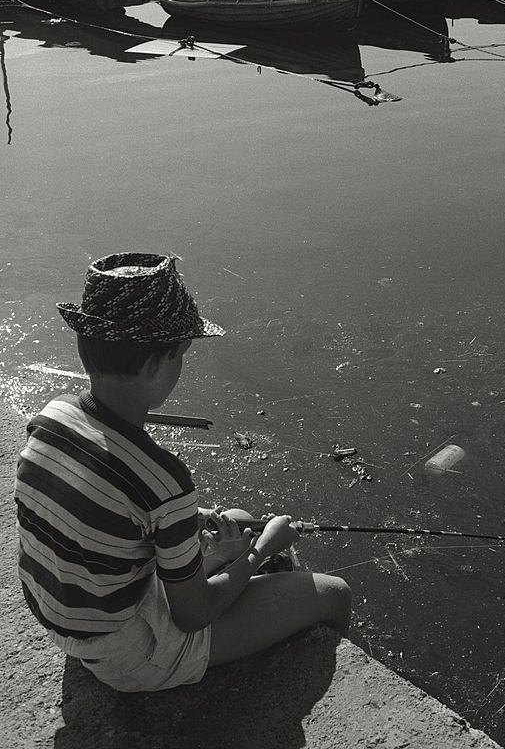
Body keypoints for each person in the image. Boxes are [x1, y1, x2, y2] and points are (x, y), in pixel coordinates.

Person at [14, 252, 351, 693]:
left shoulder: (50, 418)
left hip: (70, 616)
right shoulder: (162, 480)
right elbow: (194, 613)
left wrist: (202, 517)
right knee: (332, 592)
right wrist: (264, 548)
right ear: (157, 363)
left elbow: (113, 506)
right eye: (181, 355)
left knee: (233, 517)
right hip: (132, 655)